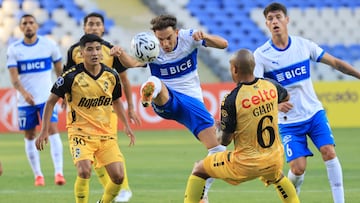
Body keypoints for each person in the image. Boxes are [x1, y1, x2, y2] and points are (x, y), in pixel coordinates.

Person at [112, 14, 228, 202]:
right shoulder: (152, 48)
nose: (165, 43)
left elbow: (223, 44)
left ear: (176, 32)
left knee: (219, 150)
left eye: (168, 38)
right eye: (160, 39)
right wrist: (121, 54)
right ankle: (148, 93)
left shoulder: (189, 38)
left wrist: (205, 37)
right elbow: (133, 63)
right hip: (166, 100)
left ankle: (202, 189)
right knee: (155, 81)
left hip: (192, 102)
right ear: (154, 37)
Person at [253, 2, 360, 203]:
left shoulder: (304, 46)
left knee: (329, 151)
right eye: (270, 19)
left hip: (313, 113)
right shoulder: (261, 56)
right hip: (288, 122)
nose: (274, 21)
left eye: (278, 17)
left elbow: (336, 63)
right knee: (297, 168)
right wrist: (275, 105)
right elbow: (255, 87)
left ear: (287, 20)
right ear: (266, 24)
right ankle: (292, 198)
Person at [183, 48, 299, 203]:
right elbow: (286, 97)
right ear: (253, 66)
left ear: (235, 69)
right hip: (273, 158)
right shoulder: (270, 86)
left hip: (245, 163)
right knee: (277, 177)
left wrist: (218, 129)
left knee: (199, 169)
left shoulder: (231, 99)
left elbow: (225, 141)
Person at [35, 34, 136, 203]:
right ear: (81, 53)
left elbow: (117, 101)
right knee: (84, 171)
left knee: (118, 177)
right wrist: (44, 130)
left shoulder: (111, 75)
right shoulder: (70, 77)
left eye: (97, 49)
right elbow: (51, 102)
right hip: (80, 134)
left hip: (105, 134)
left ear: (102, 52)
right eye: (89, 49)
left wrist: (126, 125)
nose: (94, 53)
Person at [64, 12, 140, 202]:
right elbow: (67, 78)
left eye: (98, 24)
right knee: (92, 158)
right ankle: (115, 190)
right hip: (82, 113)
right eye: (90, 24)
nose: (94, 27)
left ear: (103, 28)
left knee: (106, 149)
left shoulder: (112, 51)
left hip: (108, 110)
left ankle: (122, 188)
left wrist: (130, 107)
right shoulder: (74, 51)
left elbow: (124, 80)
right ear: (84, 28)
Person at [6, 14, 66, 186]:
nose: (28, 26)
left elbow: (59, 72)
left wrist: (63, 92)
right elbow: (14, 78)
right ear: (20, 27)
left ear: (37, 26)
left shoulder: (49, 44)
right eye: (24, 23)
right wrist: (24, 93)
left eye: (31, 22)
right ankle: (38, 175)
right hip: (25, 101)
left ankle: (59, 173)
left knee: (53, 130)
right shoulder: (14, 49)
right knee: (30, 134)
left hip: (47, 98)